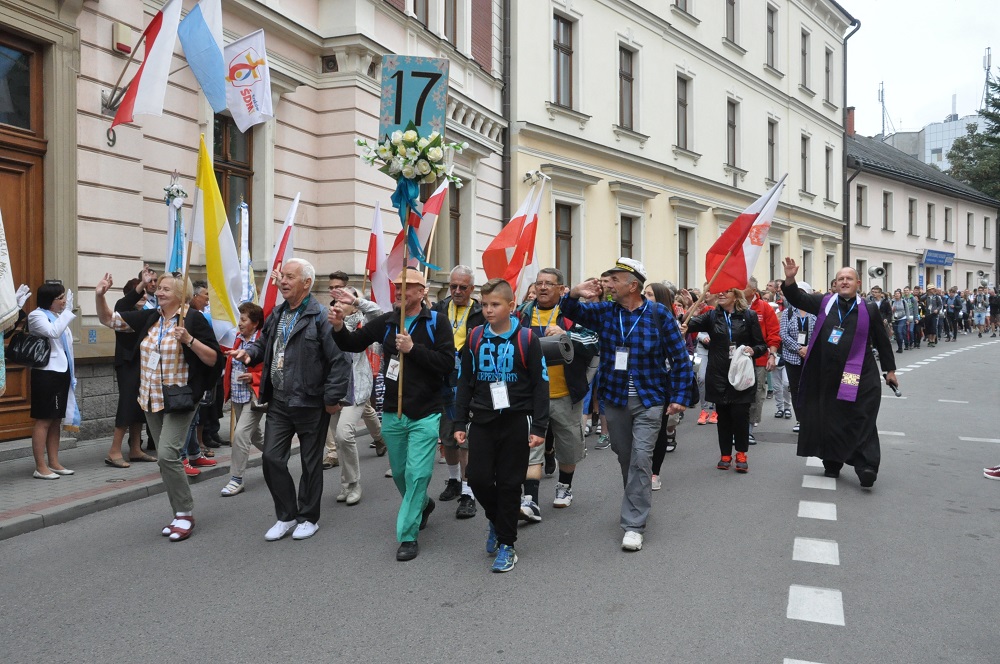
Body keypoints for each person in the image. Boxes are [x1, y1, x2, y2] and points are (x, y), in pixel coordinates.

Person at [560, 258, 693, 552]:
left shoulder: (658, 314)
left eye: (614, 280)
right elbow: (569, 312)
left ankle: (634, 523)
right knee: (625, 456)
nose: (608, 285)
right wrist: (574, 293)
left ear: (632, 285)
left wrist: (680, 398)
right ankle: (637, 496)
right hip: (616, 398)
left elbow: (680, 358)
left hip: (650, 399)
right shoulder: (607, 311)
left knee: (641, 458)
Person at [330, 267, 455, 561]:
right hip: (393, 412)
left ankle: (408, 536)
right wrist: (338, 327)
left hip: (426, 411)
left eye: (407, 287)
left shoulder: (437, 322)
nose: (400, 291)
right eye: (397, 287)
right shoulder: (387, 323)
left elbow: (447, 363)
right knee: (399, 473)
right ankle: (423, 504)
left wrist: (413, 349)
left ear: (422, 292)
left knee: (417, 473)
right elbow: (352, 343)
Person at [229, 258, 351, 542]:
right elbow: (264, 343)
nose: (282, 281)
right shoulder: (277, 314)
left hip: (311, 401)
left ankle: (308, 517)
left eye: (290, 277)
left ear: (306, 283)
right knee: (272, 458)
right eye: (282, 276)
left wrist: (332, 398)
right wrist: (251, 354)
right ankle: (286, 515)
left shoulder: (321, 316)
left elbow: (339, 361)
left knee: (310, 464)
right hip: (280, 401)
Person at [95, 272, 221, 541]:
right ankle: (178, 513)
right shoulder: (151, 317)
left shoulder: (193, 319)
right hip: (150, 398)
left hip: (180, 399)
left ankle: (185, 514)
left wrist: (189, 340)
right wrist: (100, 295)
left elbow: (213, 359)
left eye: (165, 289)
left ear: (179, 293)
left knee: (166, 454)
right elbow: (109, 320)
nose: (159, 292)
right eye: (159, 289)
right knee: (166, 461)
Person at [455, 278, 549, 572]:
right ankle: (497, 520)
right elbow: (464, 382)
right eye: (484, 305)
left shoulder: (527, 339)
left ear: (511, 306)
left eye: (494, 305)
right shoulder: (474, 338)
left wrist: (539, 428)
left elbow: (540, 385)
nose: (488, 310)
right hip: (482, 419)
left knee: (510, 483)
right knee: (478, 479)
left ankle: (507, 544)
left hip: (516, 421)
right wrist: (458, 419)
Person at [781, 259, 897, 488]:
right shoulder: (824, 302)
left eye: (849, 278)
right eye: (840, 279)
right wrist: (790, 279)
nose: (844, 282)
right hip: (827, 375)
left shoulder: (869, 309)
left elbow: (883, 343)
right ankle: (832, 462)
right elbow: (797, 298)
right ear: (835, 284)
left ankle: (866, 466)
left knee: (861, 416)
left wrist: (890, 370)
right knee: (831, 418)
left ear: (858, 283)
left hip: (858, 374)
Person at [517, 268, 598, 519]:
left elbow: (594, 341)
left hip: (564, 391)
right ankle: (530, 499)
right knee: (530, 446)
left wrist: (567, 334)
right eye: (539, 283)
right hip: (530, 395)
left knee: (569, 444)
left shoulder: (572, 314)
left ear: (561, 289)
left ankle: (565, 486)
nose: (542, 288)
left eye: (549, 284)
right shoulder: (523, 314)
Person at [682, 287, 766, 472]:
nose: (720, 294)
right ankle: (725, 454)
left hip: (741, 374)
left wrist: (754, 350)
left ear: (736, 295)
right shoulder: (712, 316)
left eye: (726, 291)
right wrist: (690, 307)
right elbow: (686, 324)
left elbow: (761, 344)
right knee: (724, 417)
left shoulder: (749, 316)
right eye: (719, 291)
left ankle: (742, 453)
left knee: (740, 416)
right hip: (718, 374)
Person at [432, 265, 485, 519]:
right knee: (447, 435)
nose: (457, 291)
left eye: (463, 287)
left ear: (472, 289)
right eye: (453, 286)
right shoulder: (439, 309)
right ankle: (453, 480)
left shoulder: (480, 312)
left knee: (465, 437)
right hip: (442, 379)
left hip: (470, 382)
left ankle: (468, 491)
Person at [324, 285, 384, 506]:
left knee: (344, 434)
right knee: (339, 440)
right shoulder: (330, 322)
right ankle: (346, 484)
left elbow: (379, 313)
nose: (340, 303)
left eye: (345, 299)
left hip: (356, 386)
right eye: (337, 300)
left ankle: (355, 483)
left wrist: (358, 301)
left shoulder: (364, 322)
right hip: (333, 388)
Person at [105, 268, 158, 468]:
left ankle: (135, 448)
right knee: (127, 406)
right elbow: (123, 304)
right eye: (141, 293)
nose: (145, 296)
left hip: (143, 364)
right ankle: (114, 451)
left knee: (139, 406)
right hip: (127, 364)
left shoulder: (145, 313)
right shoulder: (124, 309)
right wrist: (141, 285)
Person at [27, 280, 77, 479]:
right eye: (60, 298)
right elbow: (52, 332)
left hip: (62, 372)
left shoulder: (58, 316)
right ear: (49, 300)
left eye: (64, 297)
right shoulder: (37, 315)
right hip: (46, 373)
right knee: (44, 420)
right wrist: (67, 313)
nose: (64, 301)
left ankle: (54, 462)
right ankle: (40, 466)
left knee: (56, 419)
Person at [220, 302, 265, 497]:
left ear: (255, 323)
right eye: (240, 318)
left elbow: (272, 370)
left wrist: (253, 377)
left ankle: (236, 479)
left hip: (253, 397)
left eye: (244, 319)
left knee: (240, 435)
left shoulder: (262, 342)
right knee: (255, 436)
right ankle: (277, 452)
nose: (239, 323)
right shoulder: (237, 339)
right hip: (237, 396)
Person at [644, 281, 682, 490]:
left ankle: (654, 473)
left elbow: (677, 359)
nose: (645, 298)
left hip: (662, 382)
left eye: (650, 295)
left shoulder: (668, 322)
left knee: (658, 429)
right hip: (640, 382)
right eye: (644, 294)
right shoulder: (638, 318)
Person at [744, 277, 780, 445]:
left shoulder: (764, 308)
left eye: (742, 287)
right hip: (736, 359)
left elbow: (773, 333)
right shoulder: (732, 306)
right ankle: (737, 427)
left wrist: (772, 355)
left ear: (752, 290)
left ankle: (749, 429)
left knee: (756, 392)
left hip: (758, 359)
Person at [779, 282, 817, 433]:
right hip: (792, 357)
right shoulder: (788, 313)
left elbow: (820, 332)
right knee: (796, 389)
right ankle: (800, 419)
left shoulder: (815, 312)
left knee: (812, 389)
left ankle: (812, 418)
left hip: (812, 356)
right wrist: (799, 348)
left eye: (802, 292)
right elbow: (783, 334)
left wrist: (809, 348)